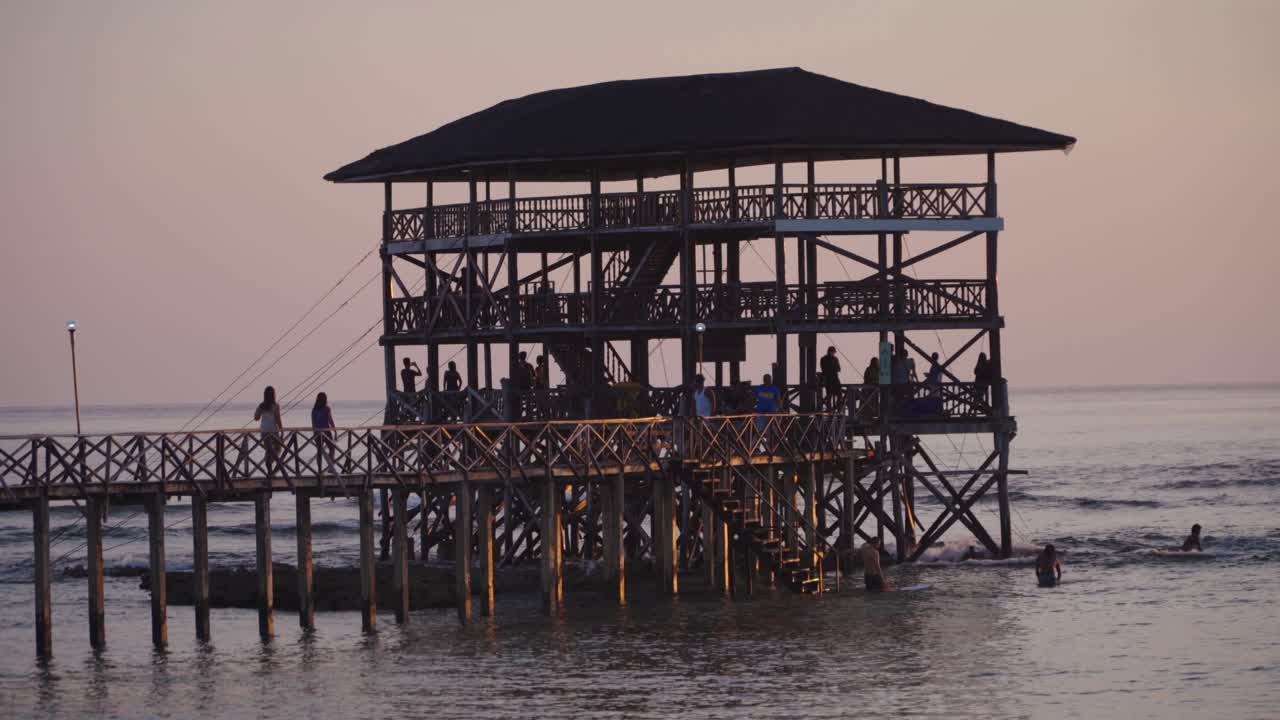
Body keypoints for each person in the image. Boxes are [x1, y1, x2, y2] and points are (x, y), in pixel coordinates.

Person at [310, 392, 342, 484]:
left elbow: (313, 423)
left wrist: (314, 433)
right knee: (332, 448)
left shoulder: (314, 410)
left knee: (319, 451)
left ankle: (320, 470)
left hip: (317, 432)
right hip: (326, 431)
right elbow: (330, 420)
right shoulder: (326, 409)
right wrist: (335, 430)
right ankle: (330, 467)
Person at [253, 386, 284, 476]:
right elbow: (278, 418)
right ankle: (271, 464)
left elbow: (256, 418)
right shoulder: (275, 405)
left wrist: (260, 413)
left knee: (268, 450)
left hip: (264, 431)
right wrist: (281, 430)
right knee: (278, 449)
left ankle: (269, 469)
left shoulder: (261, 406)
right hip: (273, 430)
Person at [819, 346, 842, 411]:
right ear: (830, 351)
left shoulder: (824, 359)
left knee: (834, 395)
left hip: (831, 379)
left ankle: (834, 409)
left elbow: (838, 369)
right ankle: (834, 409)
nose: (833, 353)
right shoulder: (833, 359)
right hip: (831, 379)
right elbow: (838, 369)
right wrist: (833, 369)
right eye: (833, 352)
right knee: (831, 395)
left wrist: (832, 369)